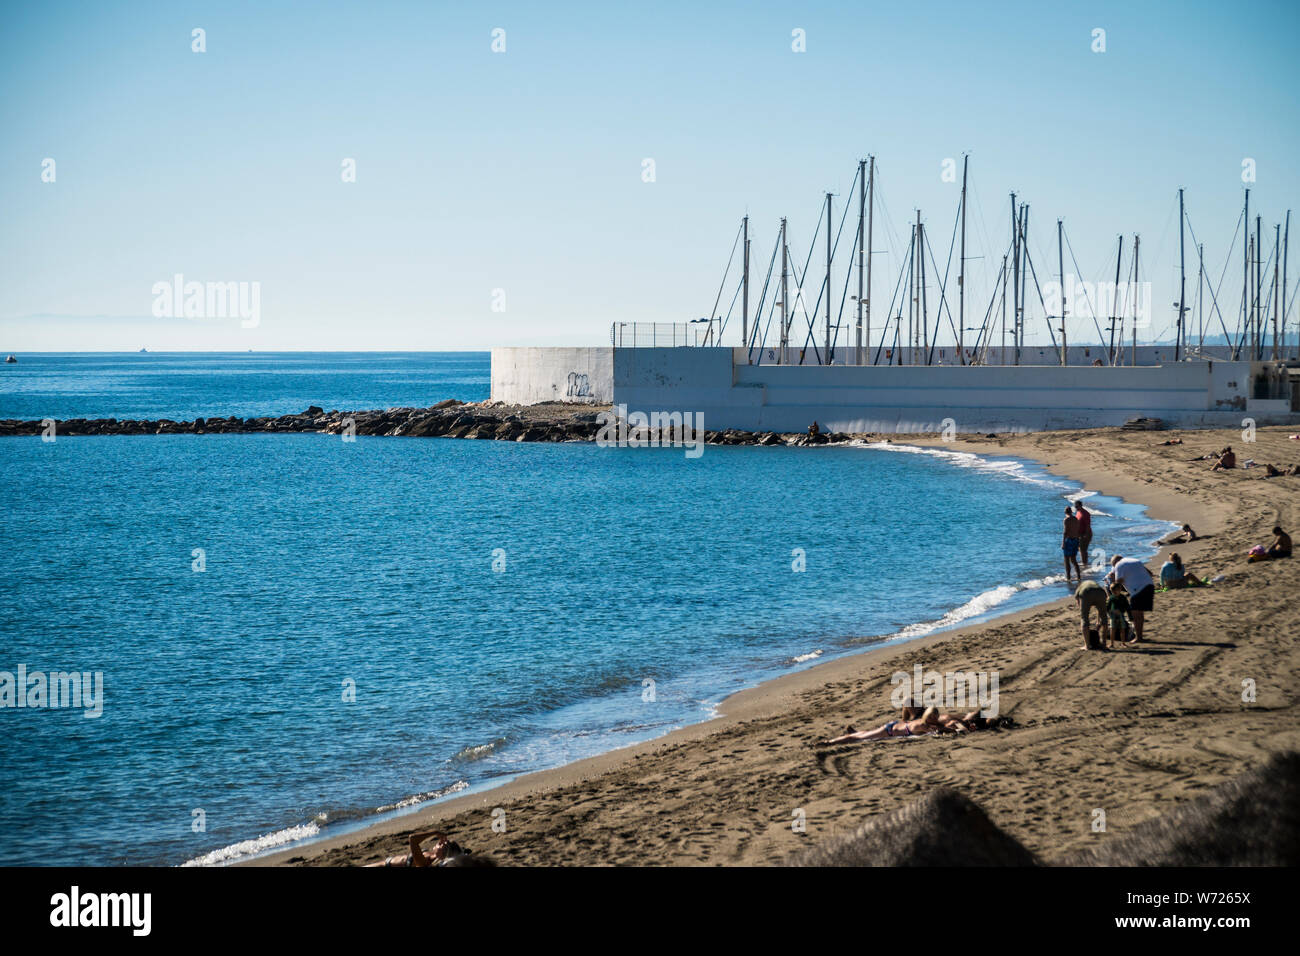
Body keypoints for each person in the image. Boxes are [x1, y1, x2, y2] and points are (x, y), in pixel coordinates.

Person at [822, 707, 942, 745]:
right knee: (858, 739)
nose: (934, 720)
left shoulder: (922, 721)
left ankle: (854, 732)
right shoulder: (924, 726)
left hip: (895, 726)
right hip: (890, 731)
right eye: (933, 718)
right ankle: (830, 742)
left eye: (935, 718)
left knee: (866, 734)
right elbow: (941, 731)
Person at [1107, 555, 1154, 642]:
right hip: (1150, 586)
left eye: (1113, 566)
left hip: (1138, 589)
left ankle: (1139, 638)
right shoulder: (1134, 560)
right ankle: (1140, 637)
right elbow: (1150, 574)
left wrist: (1112, 581)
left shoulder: (1119, 565)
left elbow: (1118, 584)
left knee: (1135, 615)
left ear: (1115, 563)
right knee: (1139, 613)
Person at [366, 830, 472, 868]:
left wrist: (434, 832)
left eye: (442, 845)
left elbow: (413, 839)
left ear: (443, 855)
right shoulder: (432, 856)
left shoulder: (425, 863)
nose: (439, 842)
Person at [1074, 579, 1110, 649]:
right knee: (1104, 617)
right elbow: (1100, 609)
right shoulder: (1095, 584)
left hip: (1086, 592)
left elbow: (1078, 602)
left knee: (1084, 618)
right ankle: (1104, 644)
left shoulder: (1081, 587)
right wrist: (1098, 620)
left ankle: (1087, 645)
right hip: (1101, 592)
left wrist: (1084, 610)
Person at [1107, 580, 1132, 645]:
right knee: (1112, 629)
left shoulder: (1123, 597)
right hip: (1113, 616)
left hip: (1121, 615)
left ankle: (1123, 643)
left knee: (1122, 629)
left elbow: (1127, 607)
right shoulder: (1111, 598)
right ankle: (1112, 643)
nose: (1114, 592)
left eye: (1116, 591)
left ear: (1120, 590)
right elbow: (1107, 607)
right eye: (1112, 591)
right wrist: (1109, 613)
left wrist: (1130, 616)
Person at [1062, 507, 1082, 583]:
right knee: (1074, 560)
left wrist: (1063, 542)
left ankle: (1068, 577)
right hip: (1076, 540)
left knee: (1066, 560)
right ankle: (1079, 576)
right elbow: (1077, 530)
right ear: (1071, 512)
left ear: (1065, 512)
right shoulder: (1076, 519)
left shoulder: (1066, 520)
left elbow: (1065, 532)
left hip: (1069, 540)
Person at [1074, 500, 1093, 566]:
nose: (1076, 508)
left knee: (1083, 550)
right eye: (1075, 507)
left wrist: (1085, 535)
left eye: (1077, 507)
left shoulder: (1085, 514)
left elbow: (1088, 525)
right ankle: (1085, 562)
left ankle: (1084, 563)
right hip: (1080, 534)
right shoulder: (1078, 512)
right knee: (1081, 549)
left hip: (1085, 534)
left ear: (1081, 506)